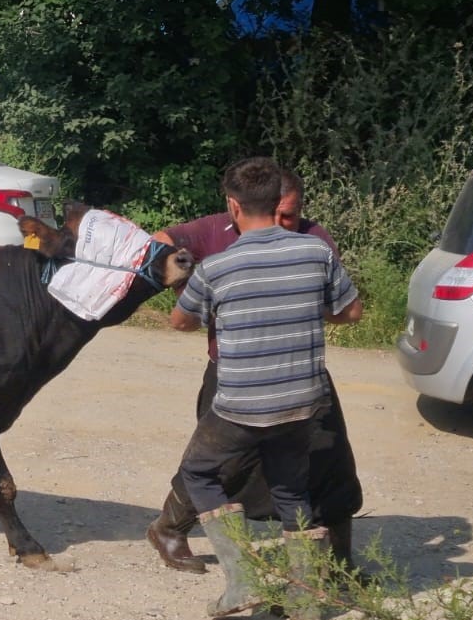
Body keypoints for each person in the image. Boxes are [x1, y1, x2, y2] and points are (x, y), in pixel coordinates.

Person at [146, 168, 367, 581]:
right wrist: (185, 286)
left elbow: (349, 310)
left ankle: (335, 563)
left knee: (329, 462)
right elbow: (159, 244)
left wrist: (290, 305)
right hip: (233, 371)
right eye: (280, 214)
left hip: (300, 372)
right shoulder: (214, 233)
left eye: (293, 216)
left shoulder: (314, 240)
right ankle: (171, 529)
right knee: (222, 465)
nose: (286, 224)